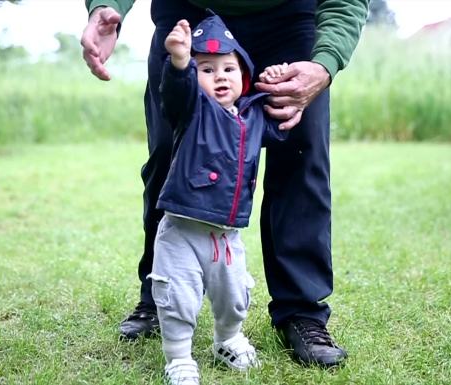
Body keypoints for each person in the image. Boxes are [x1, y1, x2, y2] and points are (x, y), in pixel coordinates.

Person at [81, 0, 369, 367]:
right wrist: (106, 6)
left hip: (288, 21)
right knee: (172, 154)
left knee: (301, 153)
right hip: (188, 15)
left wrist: (325, 62)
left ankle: (302, 313)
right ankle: (158, 298)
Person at [150, 14, 289, 384]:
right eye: (207, 69)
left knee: (233, 295)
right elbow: (176, 92)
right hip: (183, 229)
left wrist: (276, 84)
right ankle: (178, 358)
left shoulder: (252, 116)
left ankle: (227, 338)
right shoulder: (191, 110)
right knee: (177, 296)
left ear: (244, 77)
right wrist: (180, 62)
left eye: (229, 68)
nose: (220, 76)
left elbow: (282, 125)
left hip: (226, 235)